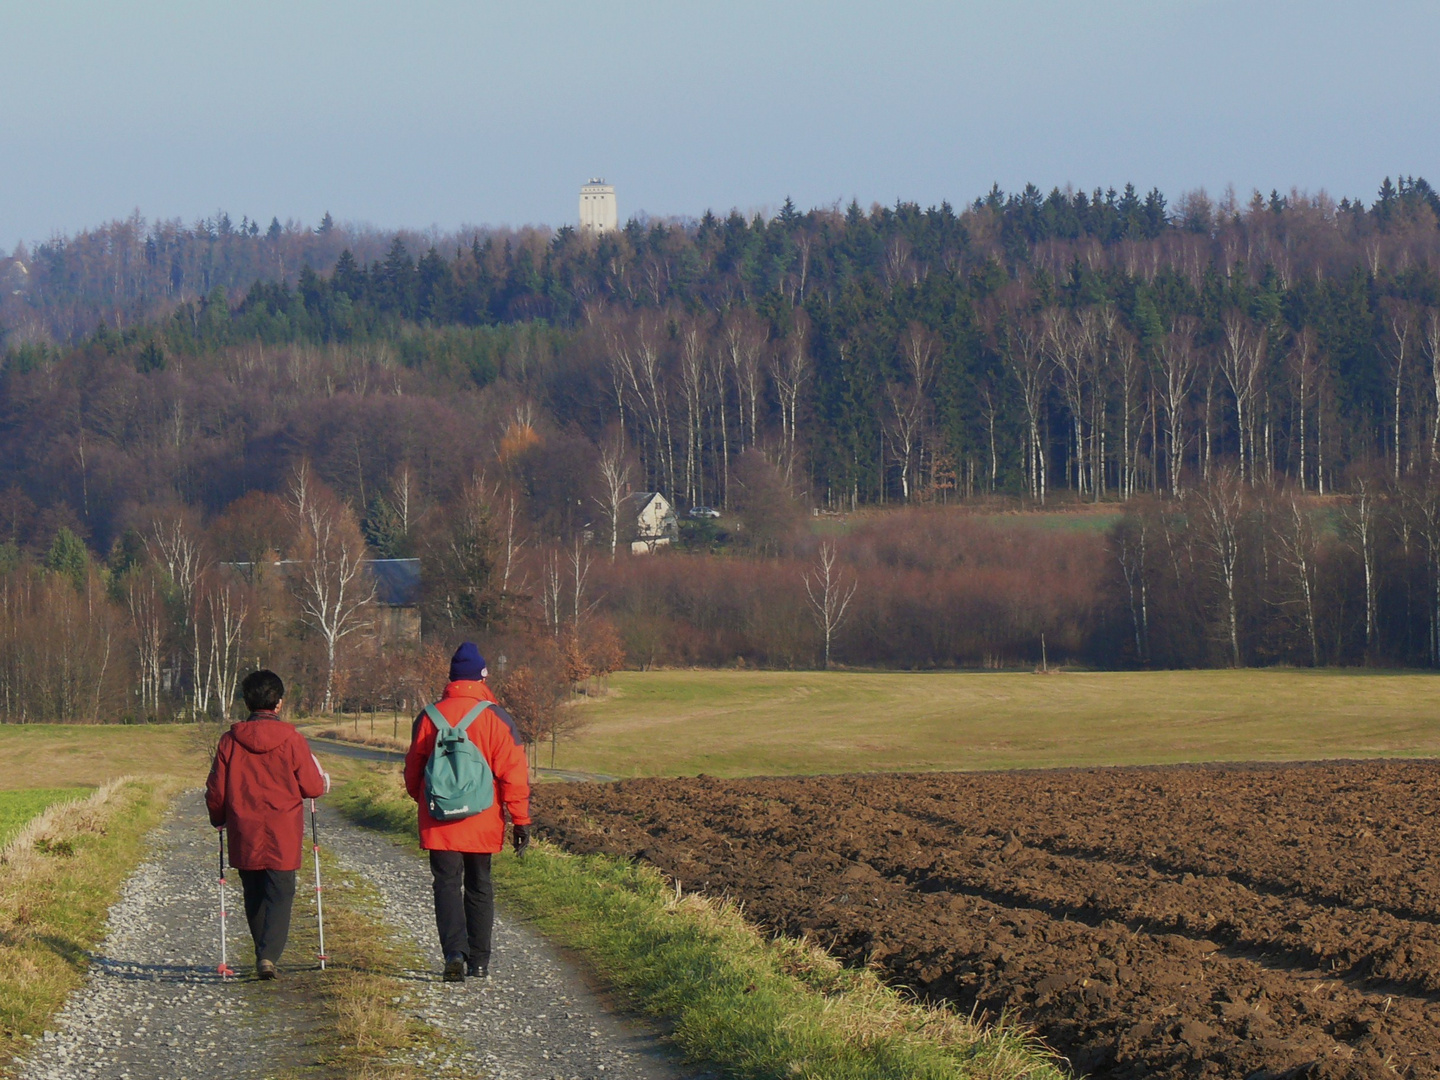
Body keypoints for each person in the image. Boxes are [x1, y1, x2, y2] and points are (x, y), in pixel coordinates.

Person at [404, 642, 531, 981]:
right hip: (482, 816)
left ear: (451, 678)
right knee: (479, 884)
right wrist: (520, 820)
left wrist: (426, 802)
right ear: (482, 677)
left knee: (446, 883)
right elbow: (513, 773)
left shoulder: (429, 716)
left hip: (439, 816)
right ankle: (479, 961)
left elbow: (413, 771)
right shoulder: (496, 718)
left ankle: (454, 953)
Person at [205, 670, 329, 981]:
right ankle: (268, 955)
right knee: (281, 892)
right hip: (283, 830)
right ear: (279, 703)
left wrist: (217, 818)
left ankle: (264, 954)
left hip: (243, 828)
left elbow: (216, 790)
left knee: (253, 891)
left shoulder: (229, 741)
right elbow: (312, 787)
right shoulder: (292, 739)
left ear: (246, 701)